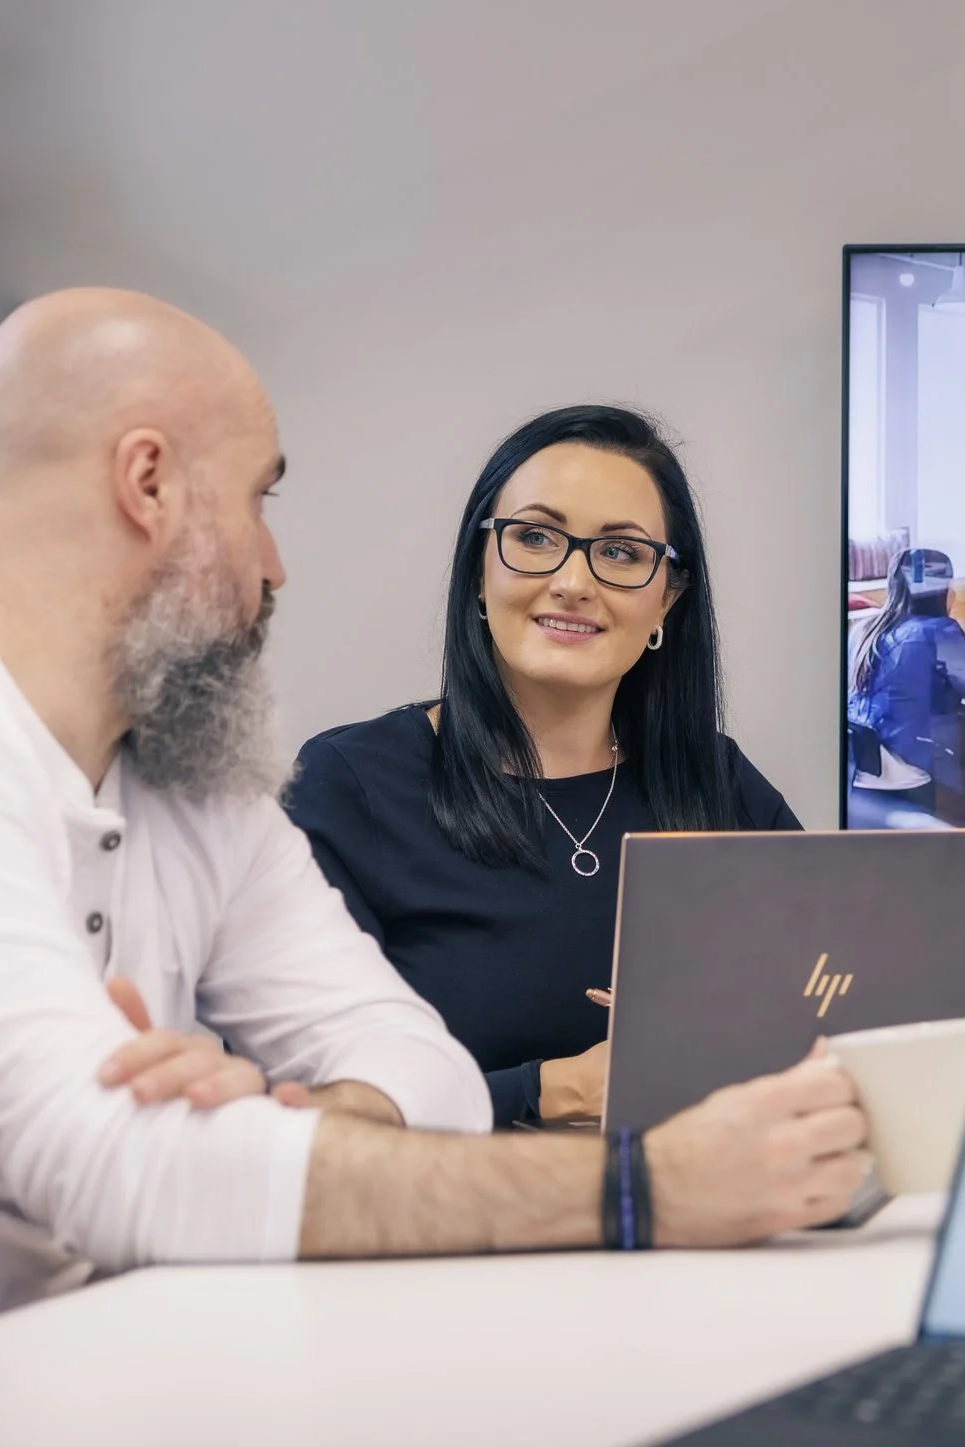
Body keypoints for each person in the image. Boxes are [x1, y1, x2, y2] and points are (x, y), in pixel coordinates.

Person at [0, 290, 866, 1316]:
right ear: (150, 485)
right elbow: (116, 1171)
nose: (276, 564)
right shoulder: (338, 777)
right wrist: (650, 1186)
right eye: (259, 500)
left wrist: (304, 1124)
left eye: (622, 554)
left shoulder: (201, 794)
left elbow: (431, 1075)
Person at [284, 406, 800, 1131]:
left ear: (668, 599)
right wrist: (559, 1089)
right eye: (534, 537)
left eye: (621, 553)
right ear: (478, 569)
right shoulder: (351, 782)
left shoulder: (714, 778)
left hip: (707, 1220)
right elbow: (299, 1109)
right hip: (446, 1231)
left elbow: (838, 1016)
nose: (573, 580)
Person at [845, 546, 965, 822]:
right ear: (942, 590)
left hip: (858, 769)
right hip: (907, 768)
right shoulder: (940, 632)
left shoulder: (864, 630)